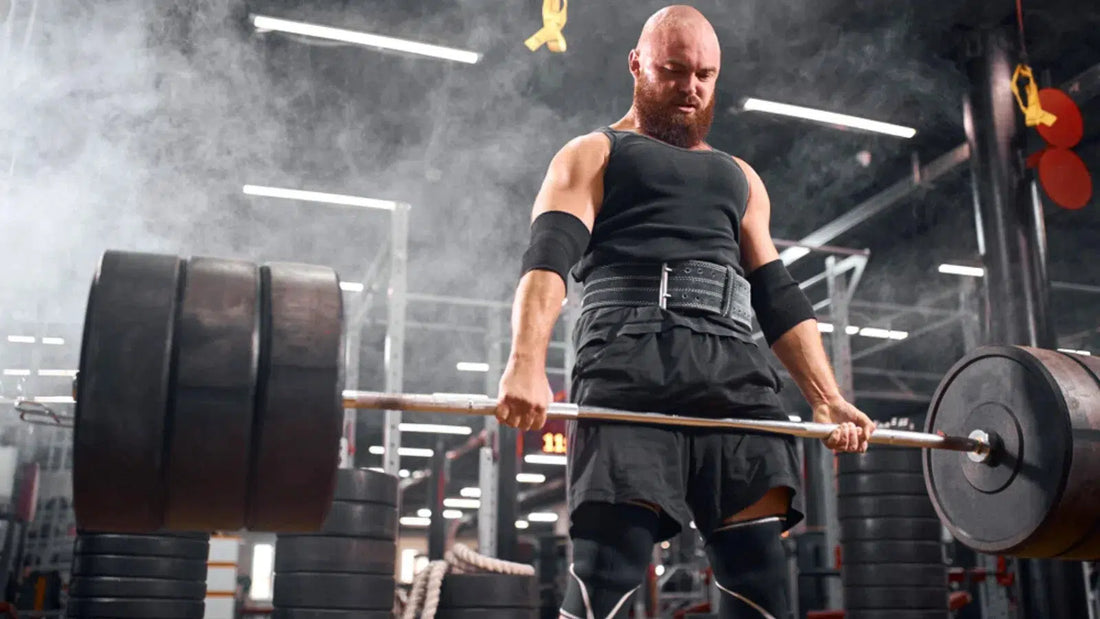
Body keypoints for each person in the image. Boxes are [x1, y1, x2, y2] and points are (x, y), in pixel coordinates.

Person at [495, 5, 876, 618]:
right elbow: (547, 260)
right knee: (608, 568)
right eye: (674, 71)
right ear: (637, 64)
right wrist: (525, 363)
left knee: (762, 577)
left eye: (704, 74)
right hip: (627, 364)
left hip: (735, 371)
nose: (690, 88)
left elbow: (776, 292)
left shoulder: (740, 177)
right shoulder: (594, 153)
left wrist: (826, 397)